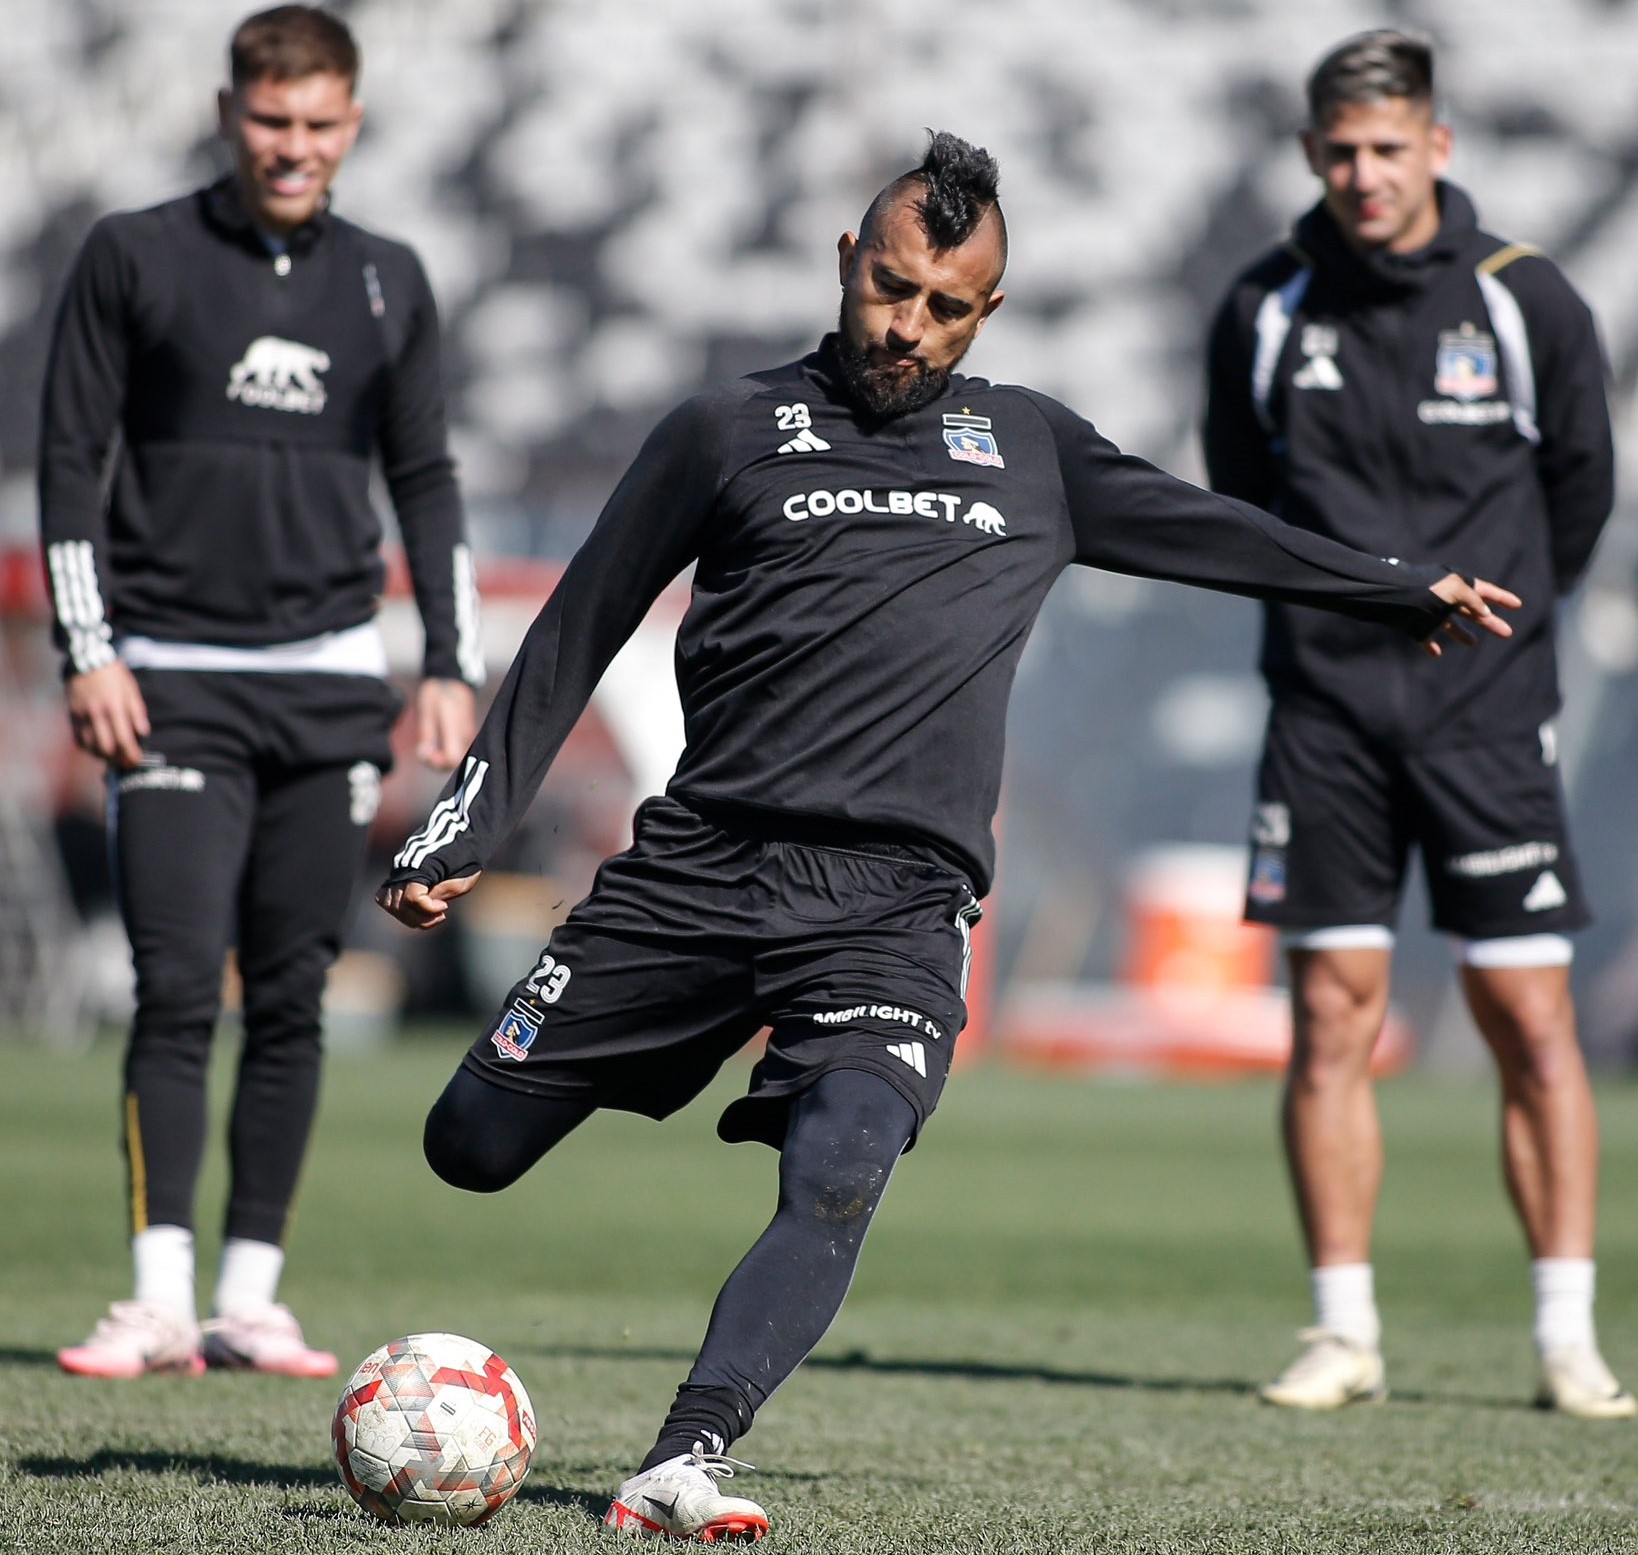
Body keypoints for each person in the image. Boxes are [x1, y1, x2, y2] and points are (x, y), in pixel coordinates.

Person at [378, 130, 1512, 1541]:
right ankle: (648, 1053)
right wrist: (460, 826)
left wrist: (1396, 590)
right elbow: (574, 632)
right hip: (701, 871)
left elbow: (1216, 529)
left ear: (988, 314)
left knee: (844, 1161)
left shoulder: (1028, 446)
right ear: (847, 262)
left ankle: (684, 1457)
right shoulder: (723, 430)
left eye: (943, 307)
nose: (906, 327)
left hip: (893, 902)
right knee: (468, 1147)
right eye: (890, 289)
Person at [42, 5, 482, 1380]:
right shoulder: (135, 255)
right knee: (177, 987)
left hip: (331, 684)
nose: (293, 148)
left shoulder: (387, 280)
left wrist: (451, 664)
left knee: (291, 992)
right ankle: (158, 1298)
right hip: (170, 676)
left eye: (319, 125)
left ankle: (250, 1299)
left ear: (352, 125)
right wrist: (88, 649)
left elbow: (426, 481)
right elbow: (68, 460)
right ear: (229, 113)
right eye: (270, 121)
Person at [1204, 29, 1628, 1418]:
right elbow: (1240, 495)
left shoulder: (1524, 301)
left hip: (1487, 720)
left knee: (1526, 1014)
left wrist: (1499, 641)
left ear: (1436, 147)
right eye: (1338, 150)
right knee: (1330, 1018)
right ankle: (1342, 1331)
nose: (1363, 174)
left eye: (1388, 148)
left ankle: (1566, 1335)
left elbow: (1578, 490)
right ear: (1311, 153)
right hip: (1323, 716)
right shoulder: (1265, 305)